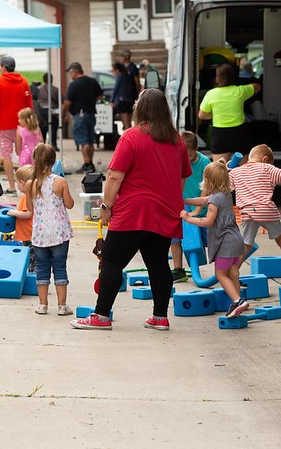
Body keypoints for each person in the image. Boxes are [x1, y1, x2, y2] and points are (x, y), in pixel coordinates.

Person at [71, 89, 191, 331]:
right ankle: (160, 317)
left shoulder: (132, 137)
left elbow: (115, 176)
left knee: (113, 261)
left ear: (140, 109)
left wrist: (106, 206)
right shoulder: (176, 140)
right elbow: (181, 179)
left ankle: (101, 315)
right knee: (158, 264)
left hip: (132, 212)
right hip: (163, 213)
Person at [229, 144, 281, 285]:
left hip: (248, 212)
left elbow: (225, 186)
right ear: (265, 159)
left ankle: (233, 272)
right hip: (266, 210)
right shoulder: (267, 168)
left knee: (245, 245)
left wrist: (226, 170)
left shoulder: (236, 172)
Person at [181, 161, 250, 318]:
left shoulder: (215, 199)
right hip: (236, 240)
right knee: (233, 272)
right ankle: (239, 303)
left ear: (209, 181)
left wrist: (187, 218)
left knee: (220, 274)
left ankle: (237, 301)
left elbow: (207, 221)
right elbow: (205, 200)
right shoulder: (224, 195)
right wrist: (185, 201)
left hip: (226, 243)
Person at [27, 144, 74, 316]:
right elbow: (69, 204)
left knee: (42, 268)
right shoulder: (60, 182)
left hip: (40, 234)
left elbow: (31, 209)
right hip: (59, 233)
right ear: (53, 161)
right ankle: (62, 306)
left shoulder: (31, 184)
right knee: (60, 267)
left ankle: (42, 305)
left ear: (35, 161)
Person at [0, 56, 33, 195]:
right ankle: (28, 186)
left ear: (4, 67)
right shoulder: (23, 82)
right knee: (24, 154)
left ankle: (12, 187)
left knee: (6, 156)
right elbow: (29, 105)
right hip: (23, 125)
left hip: (5, 126)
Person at [169, 131, 210, 282]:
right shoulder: (175, 160)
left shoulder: (204, 162)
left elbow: (207, 186)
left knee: (207, 239)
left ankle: (224, 268)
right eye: (184, 155)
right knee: (175, 238)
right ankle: (179, 269)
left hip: (200, 209)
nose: (187, 159)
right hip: (181, 207)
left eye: (190, 156)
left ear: (197, 148)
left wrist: (198, 209)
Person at [198, 63, 260, 163]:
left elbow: (202, 115)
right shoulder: (240, 91)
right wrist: (245, 86)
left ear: (217, 78)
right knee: (243, 170)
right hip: (239, 133)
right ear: (233, 77)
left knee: (219, 170)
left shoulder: (211, 94)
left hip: (220, 134)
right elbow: (257, 87)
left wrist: (215, 114)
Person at [63, 62, 103, 174]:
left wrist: (64, 113)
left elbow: (67, 102)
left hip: (80, 116)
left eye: (70, 72)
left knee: (83, 141)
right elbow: (100, 95)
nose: (70, 75)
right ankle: (90, 163)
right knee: (90, 141)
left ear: (74, 72)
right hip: (91, 114)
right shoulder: (92, 81)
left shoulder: (74, 85)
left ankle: (87, 164)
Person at [7, 164, 35, 273]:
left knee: (32, 260)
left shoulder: (26, 197)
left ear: (22, 183)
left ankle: (34, 281)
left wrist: (13, 212)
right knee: (35, 260)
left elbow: (28, 213)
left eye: (17, 182)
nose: (17, 184)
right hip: (32, 235)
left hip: (29, 235)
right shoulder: (34, 195)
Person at [35, 72, 60, 148]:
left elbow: (36, 100)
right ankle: (53, 144)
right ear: (51, 79)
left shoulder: (39, 90)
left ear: (43, 79)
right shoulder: (55, 90)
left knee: (42, 128)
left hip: (41, 111)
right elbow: (60, 101)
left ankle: (42, 144)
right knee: (53, 128)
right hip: (52, 112)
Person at [118, 49, 140, 126]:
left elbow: (137, 81)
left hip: (130, 95)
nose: (120, 58)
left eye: (121, 56)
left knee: (131, 117)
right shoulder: (121, 68)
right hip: (123, 96)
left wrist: (138, 93)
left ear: (127, 57)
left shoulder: (132, 67)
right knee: (124, 119)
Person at [110, 61, 134, 130]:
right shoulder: (127, 75)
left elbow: (115, 89)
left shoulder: (120, 76)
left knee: (126, 124)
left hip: (122, 102)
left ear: (117, 70)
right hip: (129, 101)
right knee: (128, 123)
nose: (112, 72)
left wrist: (112, 100)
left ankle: (128, 139)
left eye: (113, 70)